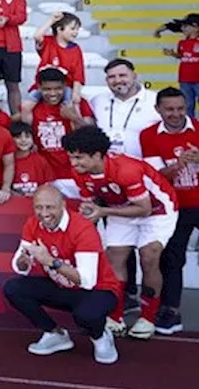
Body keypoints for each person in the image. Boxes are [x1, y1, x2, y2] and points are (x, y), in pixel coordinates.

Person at [64, 125, 178, 341]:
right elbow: (92, 199)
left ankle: (148, 317)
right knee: (114, 258)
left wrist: (103, 211)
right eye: (71, 158)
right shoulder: (79, 172)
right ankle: (115, 317)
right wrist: (89, 209)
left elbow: (144, 208)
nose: (74, 163)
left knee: (149, 256)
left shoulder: (126, 169)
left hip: (157, 210)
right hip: (120, 208)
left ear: (98, 155)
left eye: (79, 158)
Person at [3, 185, 121, 364]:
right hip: (61, 286)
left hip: (99, 289)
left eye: (49, 207)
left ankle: (100, 336)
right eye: (39, 207)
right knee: (13, 288)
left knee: (86, 315)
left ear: (62, 206)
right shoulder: (32, 224)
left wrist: (51, 262)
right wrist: (23, 261)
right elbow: (19, 265)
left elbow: (87, 281)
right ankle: (55, 333)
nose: (44, 213)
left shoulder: (82, 229)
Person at [140, 87, 199, 334]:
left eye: (180, 108)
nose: (176, 114)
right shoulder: (148, 135)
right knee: (172, 259)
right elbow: (155, 178)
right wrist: (180, 164)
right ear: (158, 110)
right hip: (176, 207)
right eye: (170, 109)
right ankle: (171, 311)